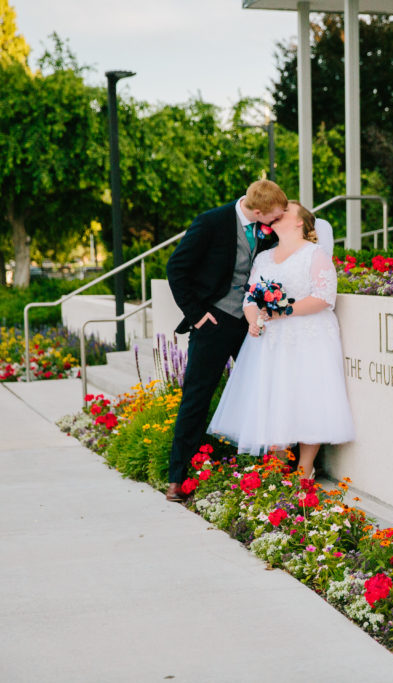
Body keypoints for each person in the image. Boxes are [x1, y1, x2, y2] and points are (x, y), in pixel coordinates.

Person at [207, 201, 354, 476]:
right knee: (275, 397)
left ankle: (305, 468)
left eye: (286, 210)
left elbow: (323, 297)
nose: (278, 212)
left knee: (310, 397)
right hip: (271, 339)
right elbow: (250, 296)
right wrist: (253, 319)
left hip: (308, 336)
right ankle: (276, 466)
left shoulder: (314, 254)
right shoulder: (263, 258)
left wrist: (282, 311)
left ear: (300, 221)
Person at [164, 180, 288, 502]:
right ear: (257, 211)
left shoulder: (269, 227)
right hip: (215, 321)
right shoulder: (211, 222)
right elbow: (176, 269)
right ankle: (177, 478)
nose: (276, 223)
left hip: (254, 324)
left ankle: (270, 469)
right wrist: (197, 314)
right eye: (272, 218)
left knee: (264, 390)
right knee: (197, 395)